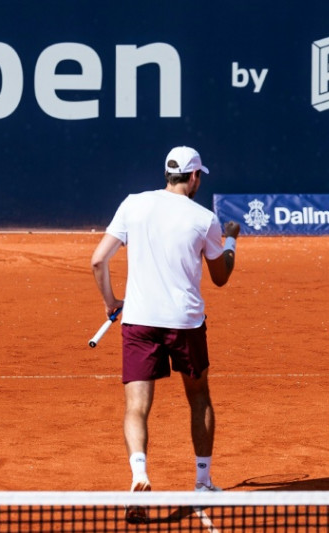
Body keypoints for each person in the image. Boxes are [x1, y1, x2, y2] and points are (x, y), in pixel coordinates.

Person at [91, 145, 239, 517]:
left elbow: (97, 260)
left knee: (136, 406)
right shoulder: (205, 219)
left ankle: (138, 475)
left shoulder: (132, 204)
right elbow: (220, 277)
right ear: (193, 177)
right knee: (199, 395)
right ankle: (203, 484)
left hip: (139, 321)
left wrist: (111, 302)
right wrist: (232, 241)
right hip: (185, 323)